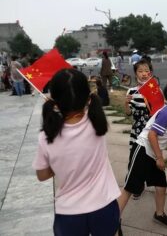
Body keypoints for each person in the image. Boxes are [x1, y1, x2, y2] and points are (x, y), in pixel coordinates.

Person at [32, 69, 121, 236]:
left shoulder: (46, 136)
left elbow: (42, 175)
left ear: (55, 102)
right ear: (88, 98)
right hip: (105, 206)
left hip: (69, 214)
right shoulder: (97, 122)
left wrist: (59, 165)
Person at [117, 80, 167, 230]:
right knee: (130, 188)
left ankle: (159, 214)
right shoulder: (166, 113)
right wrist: (160, 158)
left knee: (161, 185)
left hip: (153, 153)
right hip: (143, 150)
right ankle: (112, 220)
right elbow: (152, 135)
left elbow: (162, 130)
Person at [124, 58, 153, 199]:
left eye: (146, 71)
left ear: (150, 73)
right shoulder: (132, 91)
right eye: (140, 71)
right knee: (134, 160)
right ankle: (137, 186)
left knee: (148, 159)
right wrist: (126, 103)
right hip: (137, 131)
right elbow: (129, 113)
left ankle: (146, 181)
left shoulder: (155, 90)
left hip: (151, 131)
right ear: (136, 74)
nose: (144, 73)